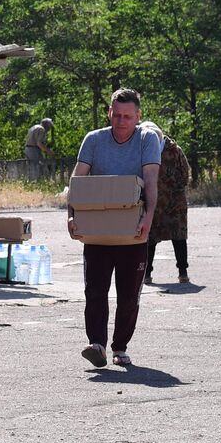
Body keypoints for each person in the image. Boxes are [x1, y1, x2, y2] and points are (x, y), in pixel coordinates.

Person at [67, 89, 160, 368]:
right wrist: (71, 215)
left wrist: (149, 217)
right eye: (116, 115)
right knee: (94, 291)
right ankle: (97, 344)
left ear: (138, 116)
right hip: (97, 230)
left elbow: (151, 181)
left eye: (128, 116)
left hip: (132, 230)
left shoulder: (147, 139)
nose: (121, 121)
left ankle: (120, 347)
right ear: (109, 112)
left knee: (129, 295)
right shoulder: (94, 140)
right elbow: (77, 180)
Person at [141, 121, 191, 284]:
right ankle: (146, 274)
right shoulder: (144, 150)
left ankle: (183, 272)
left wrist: (174, 190)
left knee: (179, 237)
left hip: (175, 203)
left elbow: (185, 173)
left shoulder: (174, 150)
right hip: (152, 202)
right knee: (149, 238)